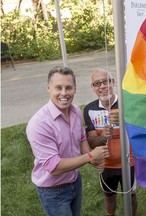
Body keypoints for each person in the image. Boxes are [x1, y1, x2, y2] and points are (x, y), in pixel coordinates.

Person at [26, 66, 109, 216]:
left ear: (75, 89)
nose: (64, 93)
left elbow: (82, 137)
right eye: (58, 88)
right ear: (49, 88)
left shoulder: (76, 111)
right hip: (53, 191)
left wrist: (93, 160)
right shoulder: (39, 124)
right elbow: (54, 167)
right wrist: (90, 156)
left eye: (68, 88)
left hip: (75, 181)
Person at [83, 68, 138, 216]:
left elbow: (140, 130)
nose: (102, 86)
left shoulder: (127, 103)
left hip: (128, 161)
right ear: (93, 87)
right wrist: (103, 137)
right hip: (106, 163)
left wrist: (124, 119)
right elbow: (92, 141)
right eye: (97, 83)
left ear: (113, 82)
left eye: (106, 81)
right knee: (108, 195)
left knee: (131, 194)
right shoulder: (89, 109)